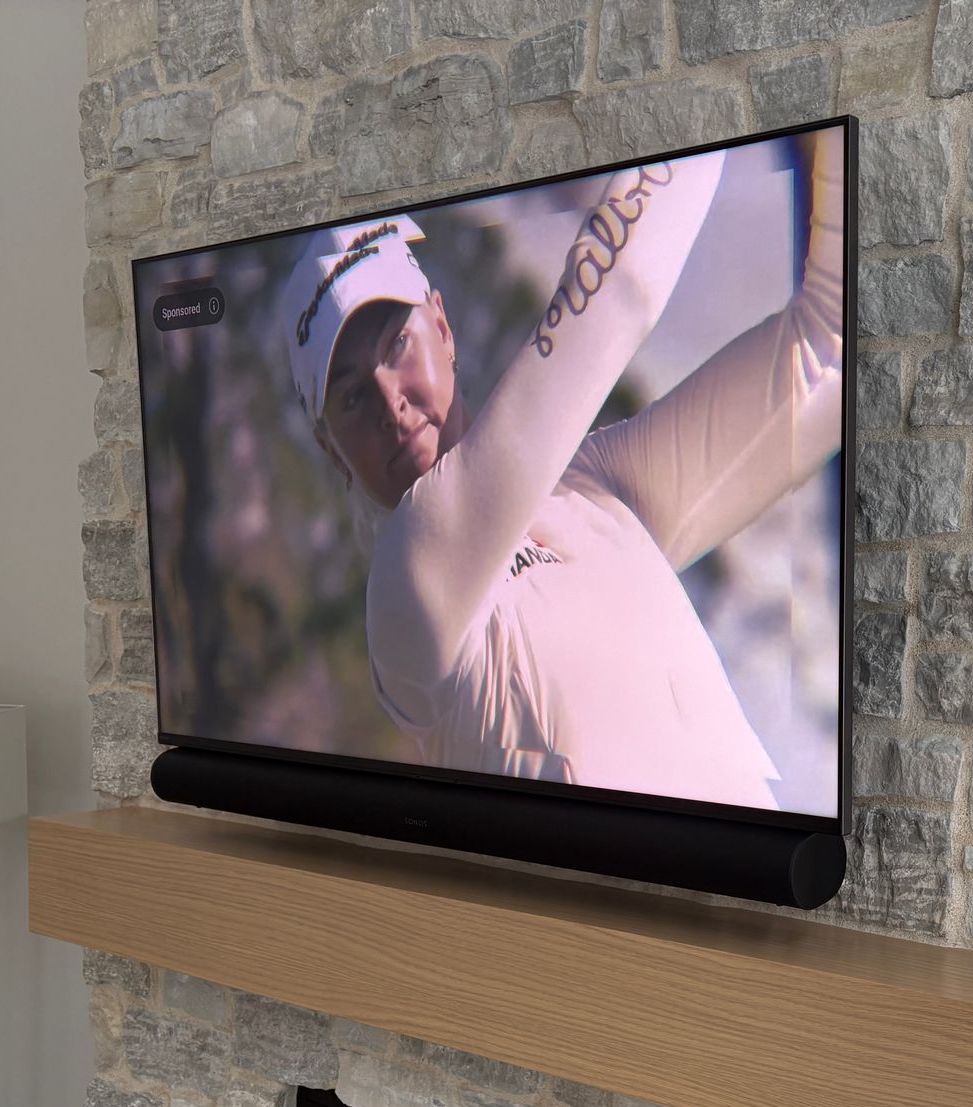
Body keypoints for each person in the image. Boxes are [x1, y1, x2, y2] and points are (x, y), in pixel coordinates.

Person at [279, 131, 845, 812]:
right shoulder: (411, 579)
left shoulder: (595, 493)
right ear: (329, 445)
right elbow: (619, 291)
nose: (389, 402)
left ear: (443, 326)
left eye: (398, 343)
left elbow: (831, 348)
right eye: (349, 395)